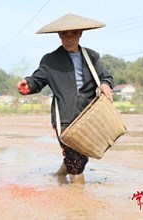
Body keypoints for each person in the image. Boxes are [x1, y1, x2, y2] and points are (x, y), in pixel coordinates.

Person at [16, 14, 114, 183]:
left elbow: (106, 77)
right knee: (75, 160)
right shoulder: (50, 60)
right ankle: (78, 203)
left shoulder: (92, 57)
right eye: (65, 35)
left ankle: (60, 176)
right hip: (65, 119)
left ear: (80, 34)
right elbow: (37, 80)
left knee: (80, 157)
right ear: (59, 36)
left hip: (88, 117)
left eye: (73, 34)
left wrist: (105, 85)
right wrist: (28, 85)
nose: (69, 39)